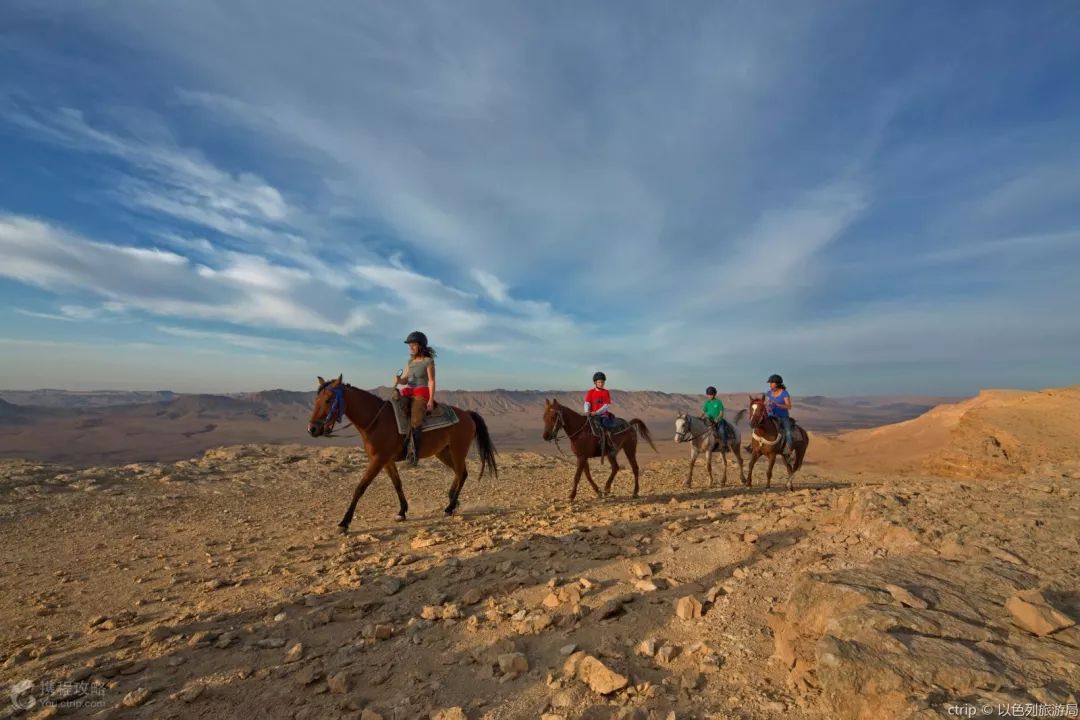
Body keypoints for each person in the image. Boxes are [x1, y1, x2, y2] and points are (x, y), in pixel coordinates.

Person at [393, 331, 436, 466]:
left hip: (421, 393)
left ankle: (414, 454)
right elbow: (406, 380)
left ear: (421, 346)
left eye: (413, 345)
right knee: (394, 407)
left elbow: (431, 381)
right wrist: (399, 380)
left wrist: (430, 400)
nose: (410, 348)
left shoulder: (428, 361)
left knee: (416, 420)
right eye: (409, 345)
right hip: (408, 391)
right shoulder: (410, 362)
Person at [765, 374, 794, 459]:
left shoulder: (784, 393)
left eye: (771, 383)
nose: (770, 384)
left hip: (782, 416)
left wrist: (777, 405)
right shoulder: (769, 393)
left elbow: (789, 406)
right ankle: (753, 446)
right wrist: (766, 406)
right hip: (771, 416)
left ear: (777, 384)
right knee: (759, 425)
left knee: (788, 432)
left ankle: (789, 449)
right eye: (770, 383)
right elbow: (766, 403)